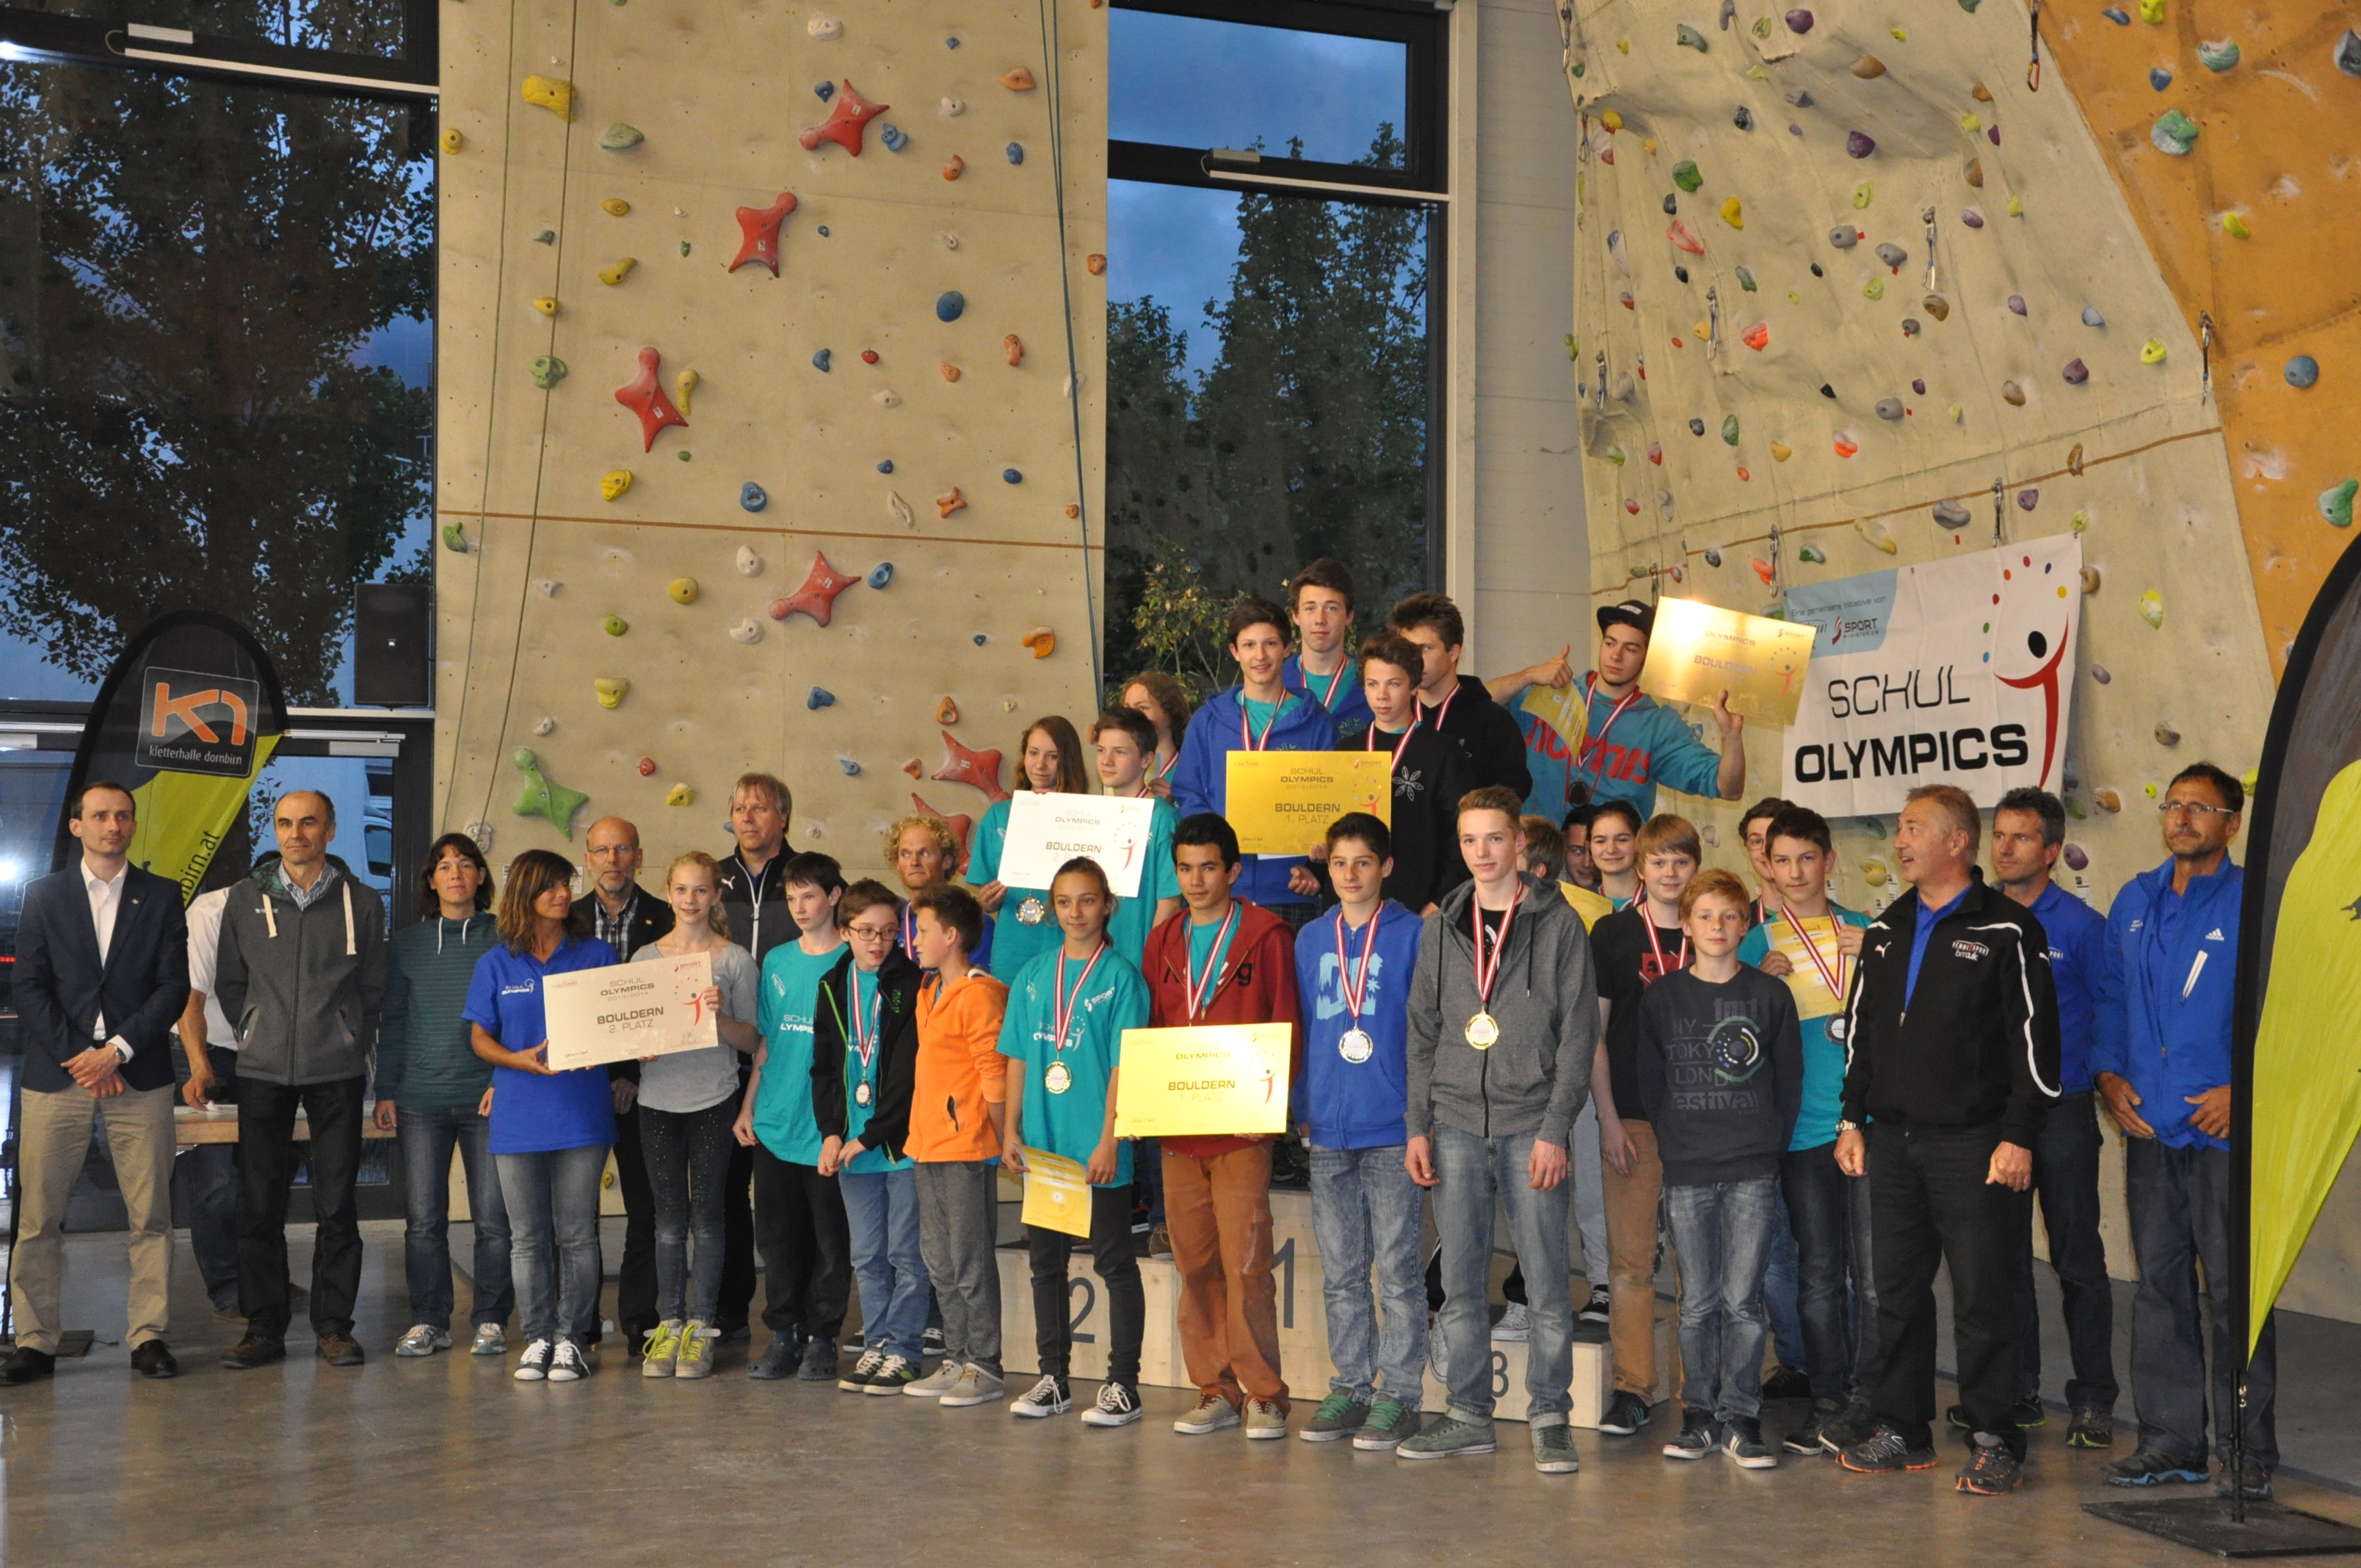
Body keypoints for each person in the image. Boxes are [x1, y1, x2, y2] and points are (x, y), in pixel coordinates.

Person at [1833, 785, 2059, 1497]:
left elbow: (2036, 1044)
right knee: (1897, 1293)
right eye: (1900, 830)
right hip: (1893, 1143)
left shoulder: (2008, 929)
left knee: (1982, 1297)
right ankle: (1903, 1429)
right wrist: (1851, 1118)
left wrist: (2018, 1136)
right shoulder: (1885, 927)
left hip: (1975, 1144)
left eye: (1914, 829)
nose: (1900, 842)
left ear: (1958, 841)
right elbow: (1862, 1032)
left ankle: (1995, 1439)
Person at [1399, 785, 1597, 1473]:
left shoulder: (1559, 924)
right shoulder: (1440, 927)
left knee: (1545, 1281)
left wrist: (1555, 1129)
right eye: (1469, 840)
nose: (1481, 853)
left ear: (1519, 843)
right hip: (1453, 1122)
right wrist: (1417, 1125)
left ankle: (1550, 1417)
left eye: (1493, 838)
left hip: (1530, 1125)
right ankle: (1467, 1415)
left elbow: (1578, 1035)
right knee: (1459, 1281)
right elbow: (1421, 1032)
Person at [2095, 763, 2273, 1501]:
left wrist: (2245, 1091)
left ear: (2232, 822)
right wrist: (2108, 1077)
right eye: (2174, 805)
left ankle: (2248, 1451)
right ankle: (2172, 1443)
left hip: (2223, 1133)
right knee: (2160, 1290)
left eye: (2200, 807)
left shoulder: (2256, 902)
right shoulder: (2133, 900)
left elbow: (2286, 1009)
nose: (2182, 817)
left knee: (2237, 1295)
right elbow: (2110, 997)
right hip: (2151, 1129)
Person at [1, 781, 189, 1385]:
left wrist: (117, 1051)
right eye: (101, 815)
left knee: (151, 1216)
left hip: (139, 1074)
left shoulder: (161, 895)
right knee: (38, 1218)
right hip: (58, 1077)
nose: (114, 825)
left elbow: (173, 987)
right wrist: (81, 1056)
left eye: (123, 816)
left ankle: (149, 1336)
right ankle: (34, 1342)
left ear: (133, 825)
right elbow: (29, 987)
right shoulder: (44, 895)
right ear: (77, 825)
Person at [1141, 813, 1303, 1440]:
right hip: (1180, 1130)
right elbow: (1152, 1028)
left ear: (1233, 871)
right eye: (1185, 869)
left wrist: (1272, 1108)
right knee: (1196, 1265)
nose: (1196, 880)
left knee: (1246, 1265)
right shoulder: (1163, 941)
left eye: (1208, 867)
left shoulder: (1265, 935)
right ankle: (1215, 1388)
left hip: (1241, 1127)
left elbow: (1286, 1021)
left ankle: (1265, 1394)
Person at [214, 789, 388, 1371]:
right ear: (276, 830)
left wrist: (348, 1035)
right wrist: (252, 1031)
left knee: (337, 1206)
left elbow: (373, 985)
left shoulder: (363, 902)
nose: (296, 834)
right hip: (262, 1071)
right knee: (258, 1205)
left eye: (309, 822)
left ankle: (334, 1327)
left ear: (330, 830)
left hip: (336, 1071)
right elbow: (230, 981)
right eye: (286, 823)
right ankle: (263, 1329)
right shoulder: (244, 899)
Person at [1639, 868, 1805, 1467]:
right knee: (1698, 1302)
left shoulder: (1770, 995)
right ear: (1686, 925)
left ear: (1744, 926)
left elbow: (1788, 1080)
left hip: (1752, 1169)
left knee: (1743, 1301)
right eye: (1705, 916)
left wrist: (1766, 1145)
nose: (1718, 926)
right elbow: (1650, 1081)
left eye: (1730, 916)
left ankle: (1742, 1416)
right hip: (1687, 1168)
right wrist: (1676, 1141)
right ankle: (1698, 1416)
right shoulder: (1661, 998)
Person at [1736, 807, 1877, 1456]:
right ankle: (1828, 1402)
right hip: (1802, 1134)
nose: (1795, 872)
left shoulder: (1870, 932)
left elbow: (1905, 1021)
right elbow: (1735, 1042)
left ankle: (1876, 1401)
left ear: (1830, 861)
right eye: (1782, 860)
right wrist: (1756, 991)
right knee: (1819, 1274)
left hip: (1869, 1127)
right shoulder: (1756, 945)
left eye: (1807, 858)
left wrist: (1877, 961)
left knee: (1874, 1280)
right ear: (1766, 866)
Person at [1000, 859, 1153, 1424]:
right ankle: (1054, 1379)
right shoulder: (1034, 975)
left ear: (1108, 905)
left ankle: (1124, 1384)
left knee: (1114, 1263)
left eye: (1087, 900)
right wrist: (1010, 1128)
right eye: (1064, 902)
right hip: (1045, 1148)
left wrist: (1111, 1138)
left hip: (1097, 1148)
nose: (1075, 912)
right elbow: (1017, 1056)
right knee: (1047, 1264)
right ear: (1052, 908)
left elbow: (1125, 1066)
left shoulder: (1122, 979)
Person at [1292, 815, 1427, 1450]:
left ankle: (1400, 1394)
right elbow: (1302, 1025)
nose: (1350, 875)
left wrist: (1420, 1117)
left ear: (1386, 867)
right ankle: (1350, 1385)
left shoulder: (1414, 935)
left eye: (1363, 862)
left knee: (1397, 1271)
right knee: (1342, 1272)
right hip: (1327, 1125)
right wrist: (1303, 1104)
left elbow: (1427, 1033)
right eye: (1340, 863)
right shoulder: (1310, 938)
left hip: (1392, 1124)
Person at [1989, 788, 2117, 1448]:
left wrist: (2098, 1079)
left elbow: (2109, 1009)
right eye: (1999, 835)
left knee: (2077, 1260)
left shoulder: (2082, 927)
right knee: (2002, 1260)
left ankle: (2094, 1400)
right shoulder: (1976, 919)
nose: (2004, 848)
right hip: (1994, 1117)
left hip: (2062, 1112)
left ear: (2052, 851)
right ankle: (2019, 1393)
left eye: (2020, 837)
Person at [463, 849, 618, 1383]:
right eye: (550, 885)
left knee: (577, 1234)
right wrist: (517, 1060)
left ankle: (571, 1340)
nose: (562, 893)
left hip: (581, 1113)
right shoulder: (496, 962)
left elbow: (617, 1025)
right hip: (517, 1113)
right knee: (526, 1237)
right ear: (524, 893)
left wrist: (612, 1046)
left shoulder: (596, 954)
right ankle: (536, 1338)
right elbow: (479, 1037)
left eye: (566, 883)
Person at [376, 832, 509, 1360]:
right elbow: (392, 1021)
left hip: (487, 1099)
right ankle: (430, 1320)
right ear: (431, 881)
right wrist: (385, 1090)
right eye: (445, 866)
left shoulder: (506, 936)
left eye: (466, 864)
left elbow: (520, 1017)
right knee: (423, 1222)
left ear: (481, 876)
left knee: (493, 1221)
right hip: (419, 1100)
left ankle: (492, 1320)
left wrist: (505, 1081)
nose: (456, 874)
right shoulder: (407, 944)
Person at [1589, 813, 1702, 1437]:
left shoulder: (1712, 927)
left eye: (1681, 862)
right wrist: (1607, 1119)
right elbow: (1595, 1036)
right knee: (1631, 1264)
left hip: (1703, 1121)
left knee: (1699, 1267)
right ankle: (1633, 1388)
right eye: (1659, 862)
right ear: (1640, 867)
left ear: (1696, 867)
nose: (1670, 873)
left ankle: (1701, 1393)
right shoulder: (1612, 934)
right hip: (1631, 1117)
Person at [629, 852, 761, 1381]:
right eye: (681, 890)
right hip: (657, 1103)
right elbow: (630, 1032)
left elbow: (752, 1039)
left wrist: (718, 1016)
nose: (690, 900)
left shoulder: (734, 961)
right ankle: (669, 1326)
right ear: (667, 892)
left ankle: (701, 1328)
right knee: (666, 1222)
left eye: (701, 890)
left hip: (713, 1099)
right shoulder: (644, 958)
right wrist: (637, 1048)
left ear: (716, 896)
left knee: (707, 1219)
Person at [737, 852, 855, 1383]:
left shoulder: (855, 960)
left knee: (831, 1239)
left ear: (834, 896)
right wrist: (749, 1106)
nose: (800, 907)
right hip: (775, 1119)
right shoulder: (778, 961)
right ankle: (783, 1334)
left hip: (827, 1126)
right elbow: (766, 1042)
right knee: (777, 1238)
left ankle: (823, 1336)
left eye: (810, 896)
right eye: (791, 898)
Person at [813, 881, 930, 1394]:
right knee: (866, 1256)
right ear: (844, 932)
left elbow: (908, 1075)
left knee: (906, 1255)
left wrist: (871, 1135)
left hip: (899, 1147)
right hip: (852, 1148)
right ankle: (878, 1344)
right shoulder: (831, 986)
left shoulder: (912, 984)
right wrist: (831, 1133)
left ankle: (904, 1349)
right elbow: (823, 1069)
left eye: (887, 932)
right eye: (865, 932)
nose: (878, 942)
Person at [899, 883, 1012, 1408]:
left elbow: (995, 1076)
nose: (915, 940)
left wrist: (1003, 1138)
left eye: (922, 931)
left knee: (970, 1263)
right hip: (927, 1146)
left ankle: (985, 1365)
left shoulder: (980, 994)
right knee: (939, 1262)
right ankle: (957, 1356)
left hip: (966, 1149)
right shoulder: (929, 991)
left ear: (951, 936)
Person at [1485, 600, 1745, 816]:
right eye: (1610, 643)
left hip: (1607, 858)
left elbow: (1728, 788)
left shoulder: (1658, 725)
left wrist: (1731, 736)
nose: (1616, 655)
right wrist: (1529, 675)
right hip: (1538, 849)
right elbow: (1476, 707)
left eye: (1630, 649)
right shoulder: (1552, 691)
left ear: (1648, 657)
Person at [1169, 598, 1338, 922]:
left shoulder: (1317, 723)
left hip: (1290, 890)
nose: (1259, 656)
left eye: (1270, 644)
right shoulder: (1208, 721)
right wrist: (1215, 854)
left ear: (1288, 648)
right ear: (1235, 651)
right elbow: (1189, 794)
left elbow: (1333, 806)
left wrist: (1316, 866)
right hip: (1222, 892)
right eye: (1249, 645)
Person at [580, 816, 675, 1351]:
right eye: (602, 850)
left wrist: (631, 1077)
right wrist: (607, 1075)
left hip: (652, 1087)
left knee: (648, 1210)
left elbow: (670, 1006)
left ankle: (641, 1322)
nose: (612, 860)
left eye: (622, 850)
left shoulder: (668, 919)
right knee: (577, 1216)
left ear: (639, 857)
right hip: (581, 1088)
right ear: (587, 858)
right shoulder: (565, 919)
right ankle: (582, 1322)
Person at [1516, 813, 1614, 1329]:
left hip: (1584, 1063)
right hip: (1526, 1072)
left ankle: (1602, 1283)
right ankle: (1528, 1294)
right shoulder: (1488, 915)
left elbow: (1589, 1009)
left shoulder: (1590, 915)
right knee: (1530, 1188)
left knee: (1593, 1184)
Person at [710, 776, 794, 1338]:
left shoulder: (809, 877)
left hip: (790, 1060)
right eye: (739, 807)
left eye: (759, 808)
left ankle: (798, 1317)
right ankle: (730, 1311)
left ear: (783, 817)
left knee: (788, 1201)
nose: (747, 817)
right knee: (725, 1195)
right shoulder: (714, 879)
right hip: (724, 1062)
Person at [1307, 633, 1470, 916]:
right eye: (1373, 684)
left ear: (1414, 686)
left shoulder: (1442, 753)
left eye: (1393, 684)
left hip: (1417, 907)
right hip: (1349, 909)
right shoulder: (1346, 751)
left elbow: (1462, 834)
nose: (1382, 695)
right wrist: (1317, 859)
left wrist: (1439, 902)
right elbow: (1333, 830)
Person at [173, 874, 250, 1321]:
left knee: (259, 1175)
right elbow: (191, 999)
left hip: (259, 1053)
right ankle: (226, 1288)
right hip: (203, 1049)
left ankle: (261, 1278)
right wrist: (199, 1066)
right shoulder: (210, 912)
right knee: (215, 1179)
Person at [972, 716, 1095, 981]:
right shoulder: (998, 817)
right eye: (1033, 753)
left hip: (1069, 943)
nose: (1040, 765)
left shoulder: (1088, 817)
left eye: (1052, 756)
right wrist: (986, 901)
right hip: (1012, 947)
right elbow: (981, 894)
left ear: (1068, 761)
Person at [1386, 593, 1531, 800]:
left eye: (1425, 648)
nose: (1414, 659)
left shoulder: (1493, 723)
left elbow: (1509, 796)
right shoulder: (1388, 717)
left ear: (1454, 652)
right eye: (1407, 649)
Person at [1089, 705, 1185, 968]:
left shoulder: (1162, 818)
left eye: (1119, 752)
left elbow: (1170, 903)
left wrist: (1151, 962)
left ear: (1146, 760)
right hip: (1093, 960)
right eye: (1101, 750)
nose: (1107, 761)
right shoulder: (1091, 814)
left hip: (1137, 961)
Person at [887, 813, 993, 972]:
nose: (914, 862)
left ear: (946, 861)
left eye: (924, 853)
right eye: (906, 854)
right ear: (897, 863)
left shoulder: (974, 923)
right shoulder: (891, 922)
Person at [1281, 557, 1373, 733]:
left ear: (1349, 616)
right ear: (1296, 615)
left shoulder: (1372, 682)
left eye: (1331, 608)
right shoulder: (1276, 682)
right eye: (1310, 608)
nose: (1320, 620)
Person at [1120, 671, 1192, 795]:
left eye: (1143, 708)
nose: (1131, 716)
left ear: (1170, 712)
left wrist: (1177, 803)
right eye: (1127, 709)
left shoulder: (1190, 773)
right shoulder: (1119, 770)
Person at [1738, 798, 1794, 926]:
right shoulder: (1740, 925)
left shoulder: (1834, 918)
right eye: (1757, 841)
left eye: (1772, 839)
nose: (1764, 850)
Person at [1589, 801, 1643, 910]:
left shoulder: (1661, 900)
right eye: (1600, 841)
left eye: (1622, 840)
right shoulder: (1581, 904)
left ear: (1639, 841)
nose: (1611, 850)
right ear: (1589, 846)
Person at [1562, 804, 1602, 892]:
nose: (1587, 864)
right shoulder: (1543, 891)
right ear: (1563, 848)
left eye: (1593, 852)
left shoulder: (1620, 894)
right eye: (1577, 851)